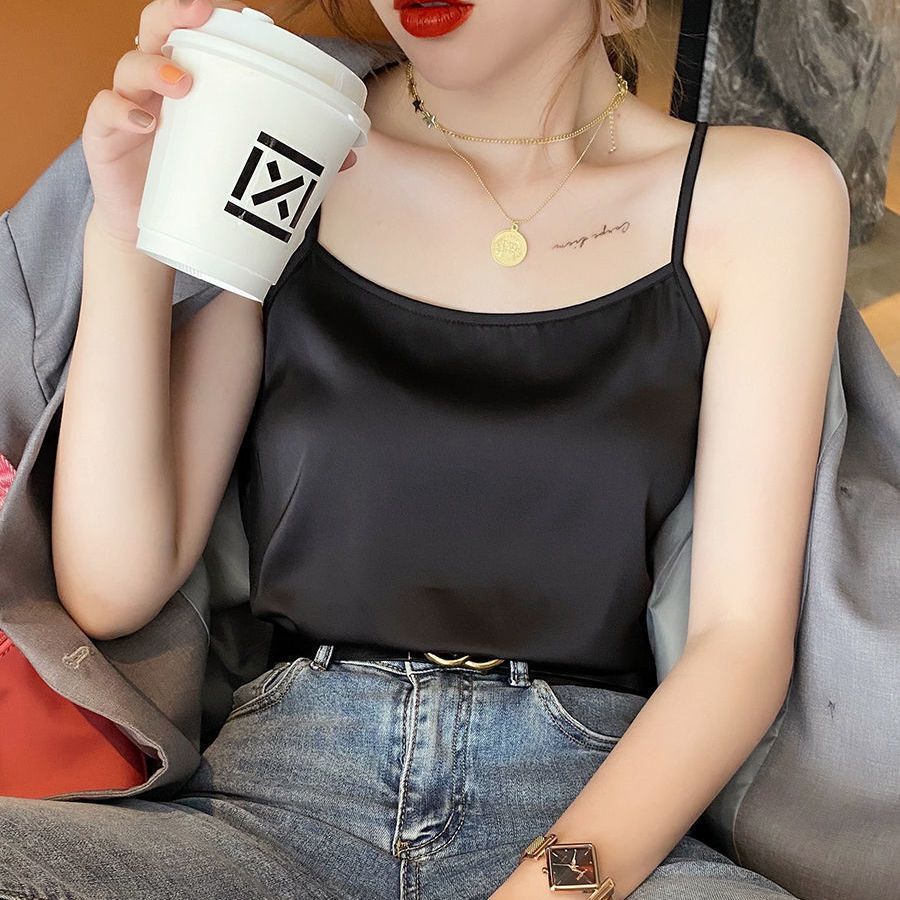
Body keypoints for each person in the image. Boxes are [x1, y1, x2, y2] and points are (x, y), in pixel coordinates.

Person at [2, 0, 850, 898]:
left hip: (588, 818)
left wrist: (559, 886)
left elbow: (737, 644)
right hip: (274, 806)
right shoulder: (298, 136)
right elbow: (114, 585)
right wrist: (129, 231)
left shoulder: (762, 196)